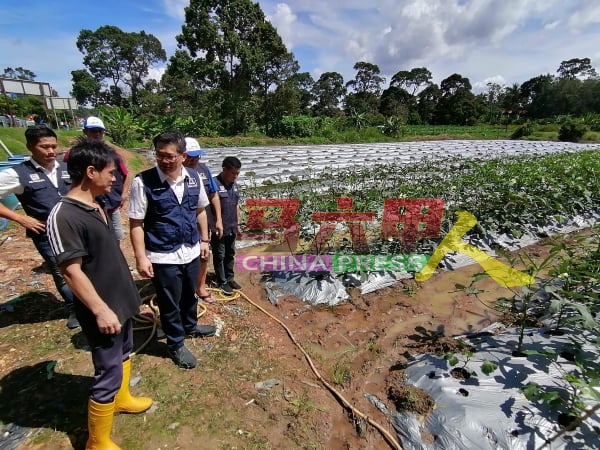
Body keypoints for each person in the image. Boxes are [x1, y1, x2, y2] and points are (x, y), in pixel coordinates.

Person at [46, 139, 153, 449]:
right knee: (107, 370)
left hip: (120, 298)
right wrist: (101, 310)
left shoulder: (98, 204)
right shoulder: (63, 216)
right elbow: (71, 271)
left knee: (124, 353)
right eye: (109, 172)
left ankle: (123, 399)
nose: (114, 178)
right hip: (101, 308)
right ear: (90, 172)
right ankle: (98, 441)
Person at [129, 131, 216, 369]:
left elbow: (200, 210)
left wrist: (204, 241)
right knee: (169, 302)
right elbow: (136, 223)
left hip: (190, 249)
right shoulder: (142, 182)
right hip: (162, 253)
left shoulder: (194, 178)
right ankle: (175, 343)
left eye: (170, 156)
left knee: (189, 293)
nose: (164, 160)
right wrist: (140, 257)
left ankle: (190, 325)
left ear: (182, 155)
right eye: (159, 155)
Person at [0, 126, 79, 329]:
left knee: (82, 267)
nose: (51, 151)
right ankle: (75, 309)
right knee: (62, 271)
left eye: (54, 146)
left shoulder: (65, 168)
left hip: (75, 229)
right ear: (30, 147)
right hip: (46, 233)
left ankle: (88, 303)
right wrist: (20, 218)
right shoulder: (18, 174)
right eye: (44, 147)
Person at [64, 116, 130, 245]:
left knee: (116, 236)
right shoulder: (74, 154)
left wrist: (124, 194)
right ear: (85, 132)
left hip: (111, 202)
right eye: (93, 131)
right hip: (88, 204)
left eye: (100, 131)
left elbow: (126, 174)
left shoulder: (112, 154)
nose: (97, 134)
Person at [182, 137, 223, 303]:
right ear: (182, 155)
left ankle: (200, 287)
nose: (194, 160)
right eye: (190, 157)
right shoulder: (173, 173)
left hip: (203, 220)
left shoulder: (204, 170)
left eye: (197, 157)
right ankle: (185, 289)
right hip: (183, 223)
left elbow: (214, 194)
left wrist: (219, 219)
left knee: (204, 255)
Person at [211, 157, 242, 296]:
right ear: (224, 170)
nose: (235, 176)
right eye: (233, 173)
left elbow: (236, 205)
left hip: (231, 226)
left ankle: (230, 278)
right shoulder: (214, 184)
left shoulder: (234, 185)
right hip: (219, 227)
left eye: (237, 173)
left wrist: (238, 224)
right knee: (220, 254)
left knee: (230, 253)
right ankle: (221, 281)